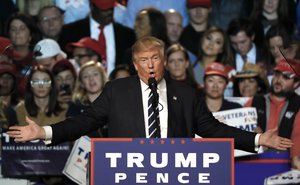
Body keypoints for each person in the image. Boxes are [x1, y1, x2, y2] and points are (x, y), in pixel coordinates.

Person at [7, 36, 293, 154]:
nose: (151, 64)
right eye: (143, 60)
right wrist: (43, 132)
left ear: (165, 60)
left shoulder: (186, 93)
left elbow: (211, 129)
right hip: (128, 175)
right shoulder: (117, 91)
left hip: (175, 175)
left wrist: (257, 139)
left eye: (155, 58)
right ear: (135, 64)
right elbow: (86, 121)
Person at [244, 58, 300, 170]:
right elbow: (242, 129)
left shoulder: (298, 104)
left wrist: (295, 159)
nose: (279, 80)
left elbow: (297, 136)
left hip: (285, 162)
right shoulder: (254, 101)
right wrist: (253, 133)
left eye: (286, 77)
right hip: (254, 160)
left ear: (296, 83)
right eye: (277, 74)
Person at [58, 0, 135, 76]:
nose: (109, 12)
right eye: (104, 9)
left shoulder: (127, 35)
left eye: (111, 8)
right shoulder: (70, 32)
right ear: (91, 6)